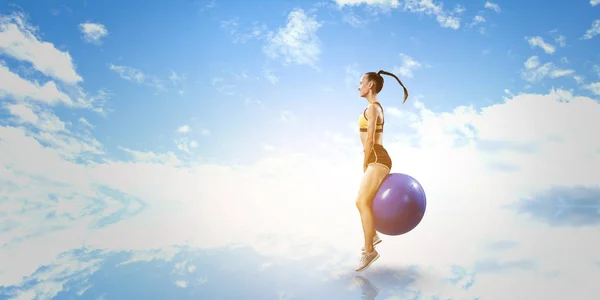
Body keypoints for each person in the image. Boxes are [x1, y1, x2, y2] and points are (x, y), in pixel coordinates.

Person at [354, 70, 408, 272]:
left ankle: (369, 251)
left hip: (376, 157)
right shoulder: (372, 108)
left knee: (361, 201)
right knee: (363, 201)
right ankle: (373, 234)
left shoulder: (374, 108)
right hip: (377, 158)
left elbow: (369, 140)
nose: (358, 86)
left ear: (371, 86)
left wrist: (365, 161)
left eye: (361, 82)